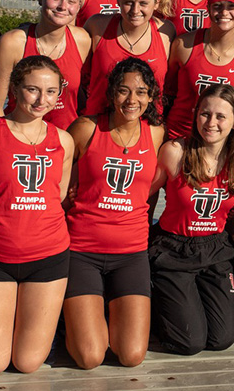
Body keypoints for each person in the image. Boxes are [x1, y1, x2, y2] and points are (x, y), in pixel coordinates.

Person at [0, 56, 74, 374]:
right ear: (15, 89)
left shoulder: (63, 141)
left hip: (48, 258)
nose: (41, 99)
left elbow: (57, 198)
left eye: (50, 92)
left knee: (27, 363)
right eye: (32, 89)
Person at [63, 58, 164, 369]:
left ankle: (100, 311)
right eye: (123, 91)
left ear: (150, 98)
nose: (131, 100)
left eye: (140, 92)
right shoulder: (86, 128)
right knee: (90, 357)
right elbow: (54, 178)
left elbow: (153, 189)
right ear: (110, 94)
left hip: (130, 253)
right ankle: (67, 320)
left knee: (131, 356)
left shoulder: (157, 135)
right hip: (81, 250)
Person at [149, 84, 234, 355]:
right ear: (196, 115)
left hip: (215, 249)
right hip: (174, 248)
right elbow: (142, 196)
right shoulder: (175, 152)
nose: (211, 123)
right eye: (205, 114)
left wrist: (231, 257)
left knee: (221, 339)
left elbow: (233, 212)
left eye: (221, 116)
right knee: (189, 342)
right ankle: (155, 302)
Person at [0, 0, 91, 129]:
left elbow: (84, 96)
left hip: (66, 142)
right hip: (20, 137)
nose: (63, 6)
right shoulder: (12, 43)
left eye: (71, 1)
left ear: (79, 6)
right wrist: (9, 140)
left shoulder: (83, 41)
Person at [165, 0, 234, 139]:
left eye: (231, 6)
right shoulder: (184, 45)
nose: (224, 13)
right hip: (179, 139)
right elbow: (167, 92)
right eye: (217, 6)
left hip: (218, 144)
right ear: (207, 8)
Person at [84, 0, 175, 116]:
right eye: (128, 3)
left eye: (143, 3)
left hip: (148, 129)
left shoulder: (166, 32)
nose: (135, 10)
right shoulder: (97, 26)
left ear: (157, 3)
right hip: (98, 126)